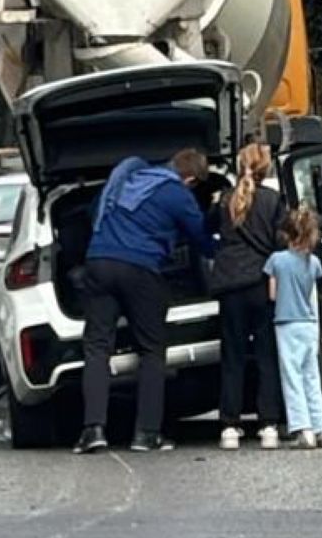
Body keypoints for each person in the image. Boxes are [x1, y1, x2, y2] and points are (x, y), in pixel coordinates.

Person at [76, 146, 215, 455]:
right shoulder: (177, 193)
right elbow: (200, 237)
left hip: (98, 262)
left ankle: (93, 430)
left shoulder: (126, 179)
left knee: (97, 347)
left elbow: (93, 213)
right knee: (152, 350)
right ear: (189, 178)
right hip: (140, 269)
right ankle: (146, 433)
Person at [210, 142, 286, 450]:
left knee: (233, 356)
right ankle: (268, 424)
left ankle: (230, 424)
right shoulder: (273, 201)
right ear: (266, 168)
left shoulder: (225, 200)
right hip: (261, 281)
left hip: (230, 284)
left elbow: (206, 228)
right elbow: (282, 241)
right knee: (266, 355)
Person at [265, 205, 322, 448]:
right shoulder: (313, 263)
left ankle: (303, 429)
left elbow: (272, 295)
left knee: (292, 377)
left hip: (286, 323)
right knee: (311, 377)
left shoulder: (277, 260)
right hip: (309, 324)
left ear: (287, 235)